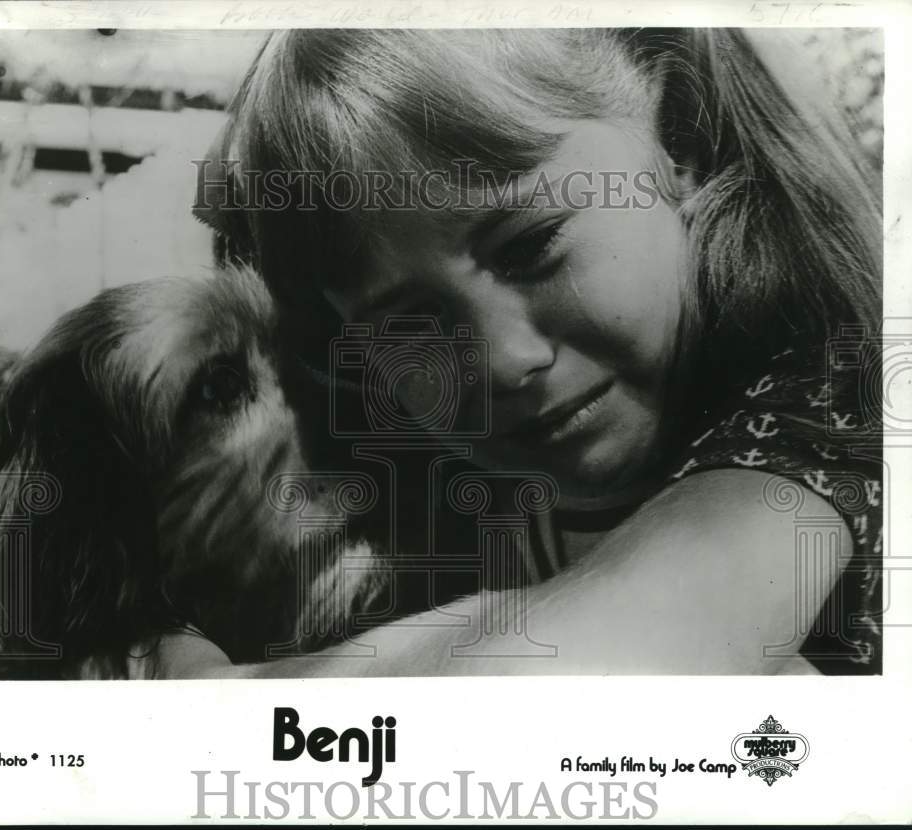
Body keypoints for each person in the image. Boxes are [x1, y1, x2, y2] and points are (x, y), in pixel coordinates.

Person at [179, 28, 883, 677]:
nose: (502, 360)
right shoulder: (457, 473)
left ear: (679, 139)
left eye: (530, 246)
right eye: (409, 323)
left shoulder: (837, 396)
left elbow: (582, 662)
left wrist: (204, 692)